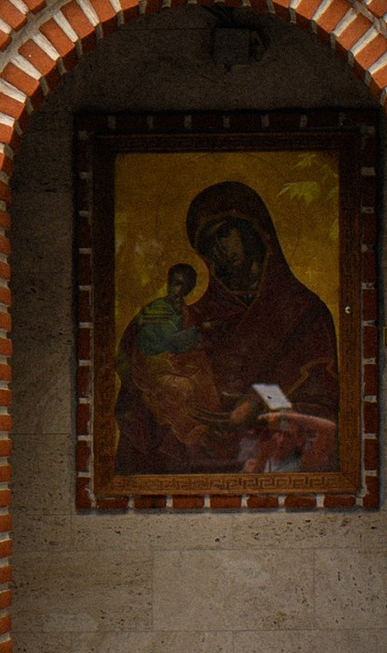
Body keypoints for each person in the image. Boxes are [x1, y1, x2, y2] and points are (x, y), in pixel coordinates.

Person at [112, 178, 340, 478]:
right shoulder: (197, 318)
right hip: (195, 463)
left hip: (272, 458)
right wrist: (143, 336)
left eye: (224, 233)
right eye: (208, 245)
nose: (219, 249)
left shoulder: (303, 314)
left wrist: (259, 400)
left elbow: (321, 400)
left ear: (255, 228)